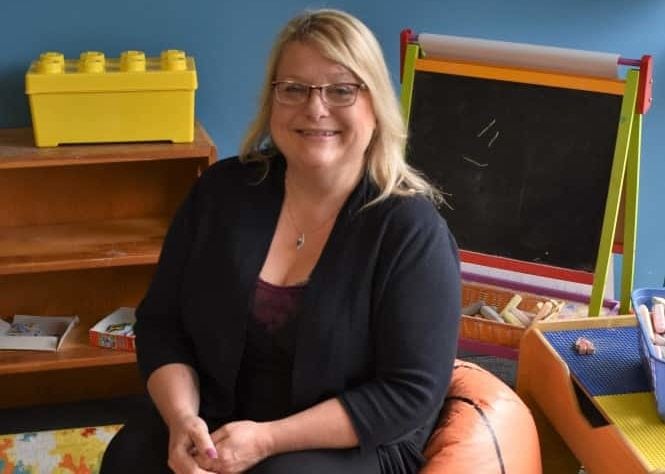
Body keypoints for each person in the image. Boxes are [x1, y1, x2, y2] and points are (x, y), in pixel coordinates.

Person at [101, 8, 460, 474]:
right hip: (219, 414)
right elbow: (162, 324)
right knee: (131, 456)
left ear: (375, 106)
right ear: (273, 101)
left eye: (341, 89)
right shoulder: (221, 192)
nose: (315, 108)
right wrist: (183, 419)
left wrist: (268, 440)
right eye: (293, 89)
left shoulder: (411, 231)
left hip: (352, 440)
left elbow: (409, 392)